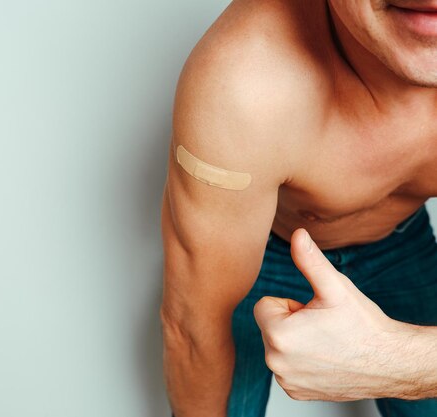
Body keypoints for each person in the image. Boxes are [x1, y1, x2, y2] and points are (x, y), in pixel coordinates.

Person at [159, 0, 437, 416]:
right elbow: (193, 330)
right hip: (265, 253)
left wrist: (402, 362)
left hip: (403, 241)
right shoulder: (243, 80)